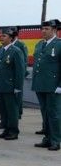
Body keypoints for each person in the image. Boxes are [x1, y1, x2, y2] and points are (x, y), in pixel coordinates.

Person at [0, 28, 25, 140]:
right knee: (3, 109)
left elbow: (20, 71)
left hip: (10, 86)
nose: (1, 37)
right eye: (1, 35)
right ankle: (6, 129)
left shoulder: (16, 51)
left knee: (12, 110)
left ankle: (13, 131)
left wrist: (18, 87)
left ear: (10, 38)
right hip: (0, 85)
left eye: (4, 36)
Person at [32, 19, 61, 151]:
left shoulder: (59, 44)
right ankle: (47, 138)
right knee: (45, 113)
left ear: (54, 30)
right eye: (42, 29)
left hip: (53, 85)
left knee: (54, 114)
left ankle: (55, 140)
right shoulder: (39, 44)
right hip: (40, 84)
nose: (43, 31)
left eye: (47, 29)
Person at [12, 27, 29, 120]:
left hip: (18, 74)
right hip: (9, 75)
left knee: (18, 94)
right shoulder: (7, 45)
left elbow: (25, 60)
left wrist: (22, 73)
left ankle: (18, 112)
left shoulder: (20, 45)